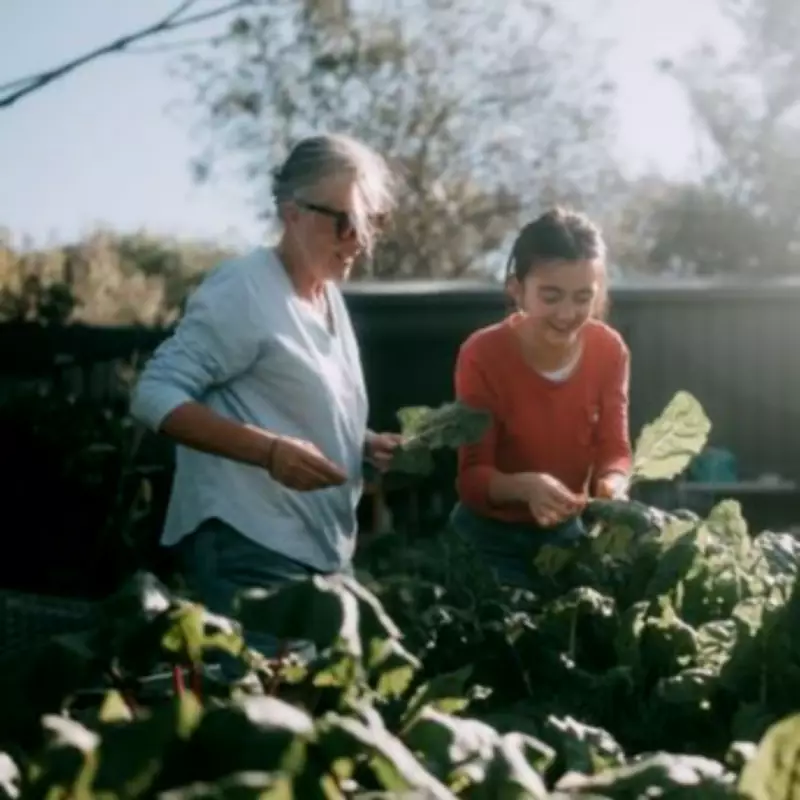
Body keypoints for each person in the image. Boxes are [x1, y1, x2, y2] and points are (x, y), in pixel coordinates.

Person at [129, 133, 403, 665]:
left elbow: (288, 402)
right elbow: (154, 393)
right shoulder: (244, 289)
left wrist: (362, 444)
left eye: (372, 222)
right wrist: (269, 452)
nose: (359, 240)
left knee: (316, 724)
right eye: (344, 221)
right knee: (265, 728)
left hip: (318, 555)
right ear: (291, 212)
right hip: (249, 547)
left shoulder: (328, 298)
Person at [449, 207, 633, 589]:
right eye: (551, 296)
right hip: (488, 541)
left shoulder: (609, 350)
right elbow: (472, 477)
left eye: (583, 297)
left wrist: (613, 486)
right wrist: (525, 487)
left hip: (566, 539)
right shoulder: (482, 353)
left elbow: (614, 449)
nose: (567, 313)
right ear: (517, 290)